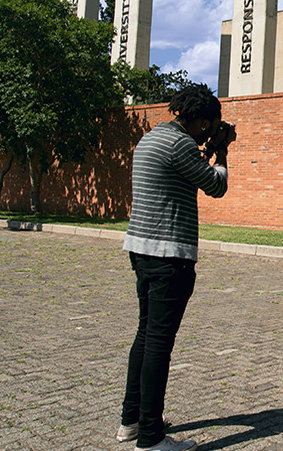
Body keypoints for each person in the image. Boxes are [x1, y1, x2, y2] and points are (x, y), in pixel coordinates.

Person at [116, 84, 236, 451]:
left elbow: (185, 172)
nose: (211, 131)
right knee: (158, 345)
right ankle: (151, 439)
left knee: (145, 336)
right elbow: (216, 185)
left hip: (142, 250)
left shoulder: (153, 138)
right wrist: (222, 152)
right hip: (169, 256)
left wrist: (209, 148)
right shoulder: (180, 145)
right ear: (203, 121)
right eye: (211, 125)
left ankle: (131, 421)